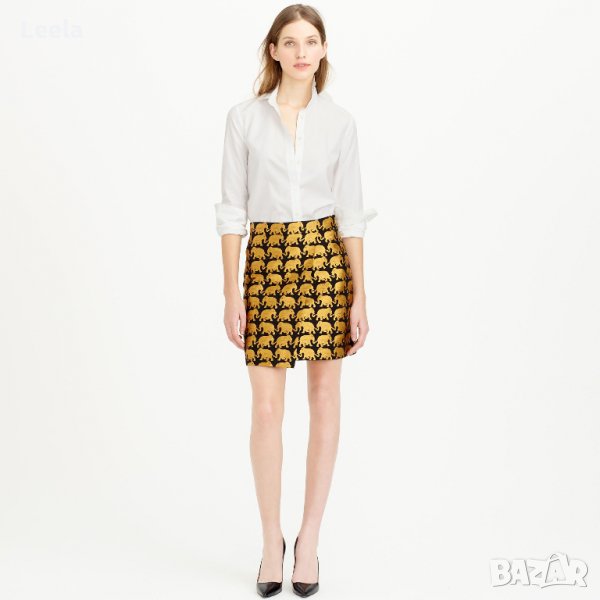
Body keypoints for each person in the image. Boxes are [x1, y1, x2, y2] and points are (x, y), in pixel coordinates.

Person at [215, 4, 376, 597]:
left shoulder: (340, 123)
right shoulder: (244, 119)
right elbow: (231, 209)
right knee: (265, 410)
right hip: (266, 262)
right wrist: (230, 290)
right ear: (274, 51)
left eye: (311, 41)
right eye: (291, 42)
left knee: (325, 399)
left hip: (326, 259)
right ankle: (269, 540)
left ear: (324, 49)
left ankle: (308, 540)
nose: (302, 52)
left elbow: (352, 214)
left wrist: (360, 296)